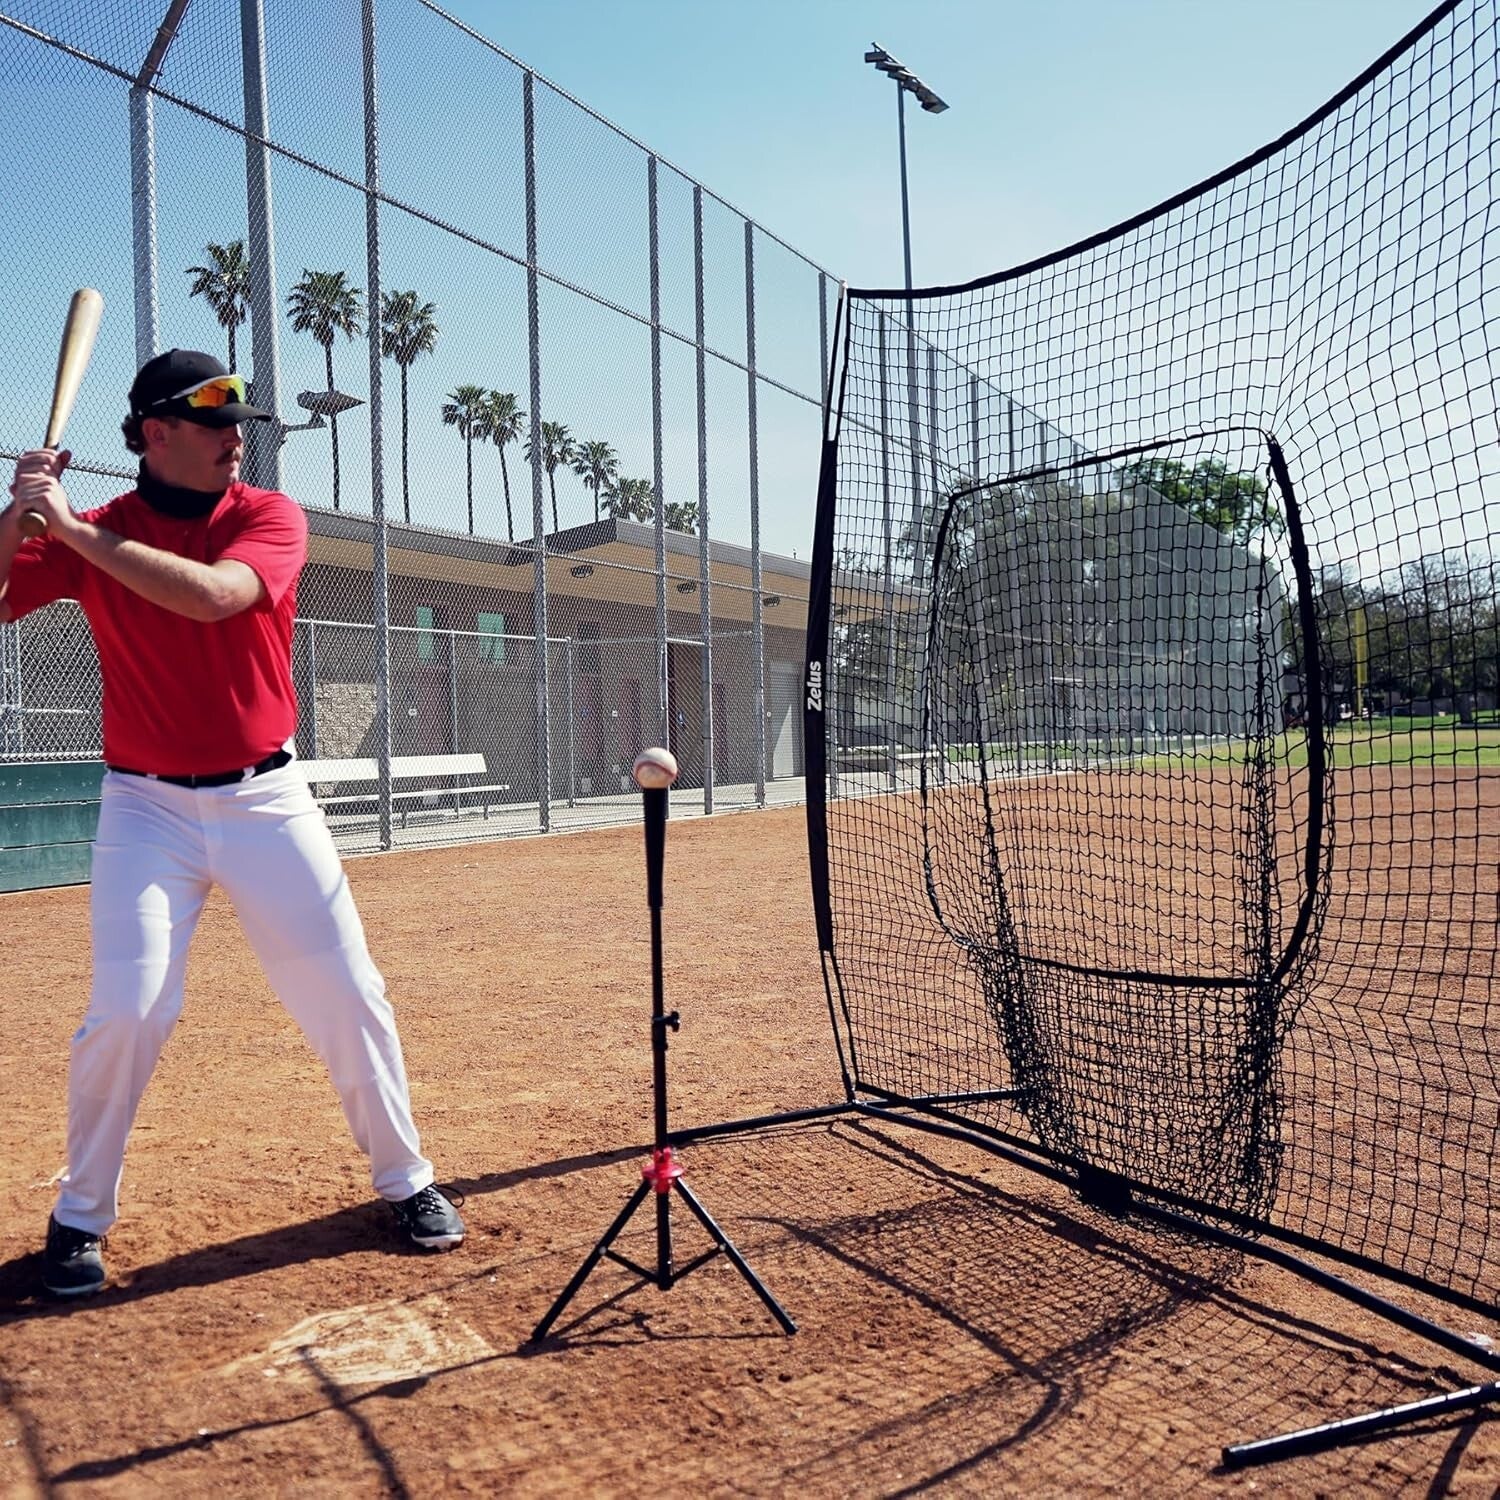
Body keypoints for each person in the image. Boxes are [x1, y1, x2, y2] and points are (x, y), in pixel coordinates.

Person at [2, 349, 465, 1297]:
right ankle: (78, 1217)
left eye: (238, 426)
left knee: (346, 992)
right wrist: (20, 516)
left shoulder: (266, 515)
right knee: (128, 1011)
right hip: (144, 807)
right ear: (156, 433)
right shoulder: (100, 528)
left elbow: (213, 598)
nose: (235, 442)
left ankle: (406, 1178)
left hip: (265, 800)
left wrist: (73, 533)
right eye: (215, 425)